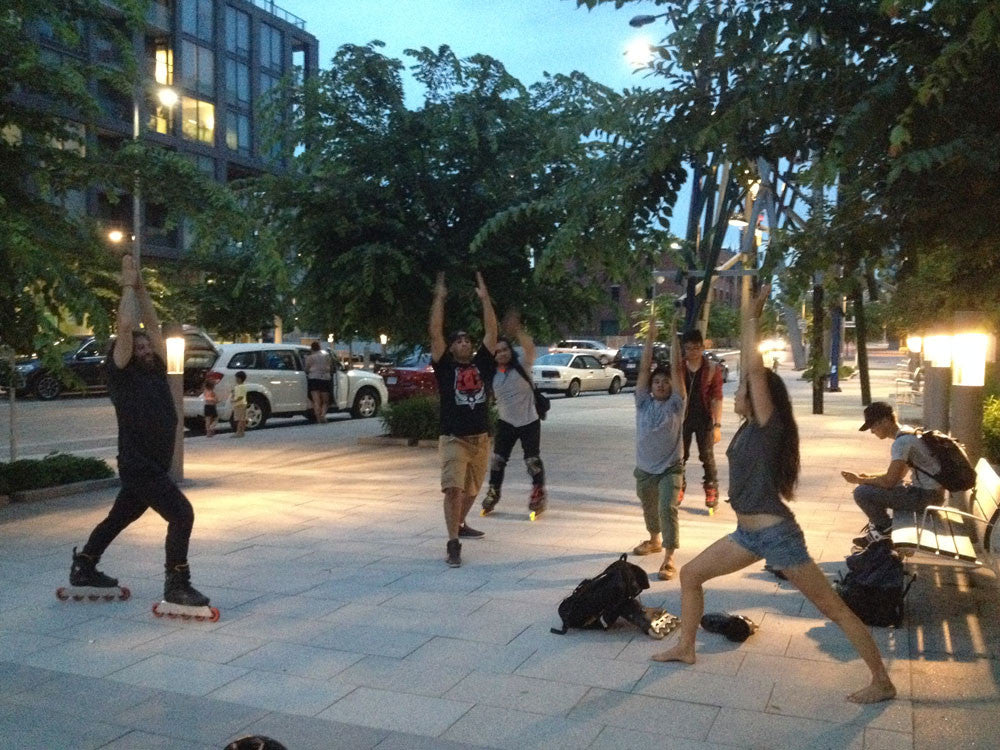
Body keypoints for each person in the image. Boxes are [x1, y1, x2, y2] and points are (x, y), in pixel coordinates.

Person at [651, 284, 896, 705]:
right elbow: (749, 376)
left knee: (833, 608)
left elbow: (753, 369)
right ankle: (686, 648)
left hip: (777, 536)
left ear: (761, 399)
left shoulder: (768, 426)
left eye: (744, 390)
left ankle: (882, 680)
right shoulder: (750, 427)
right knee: (691, 575)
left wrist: (751, 319)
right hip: (747, 536)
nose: (736, 394)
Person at [67, 253, 211, 610]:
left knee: (120, 516)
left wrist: (142, 286)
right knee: (182, 514)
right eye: (139, 346)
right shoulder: (121, 372)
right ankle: (177, 582)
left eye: (148, 346)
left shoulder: (154, 368)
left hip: (151, 465)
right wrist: (127, 285)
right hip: (139, 464)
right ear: (125, 352)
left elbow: (152, 324)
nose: (145, 349)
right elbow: (127, 326)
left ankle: (84, 565)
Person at [430, 271, 498, 567]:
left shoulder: (482, 363)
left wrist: (485, 300)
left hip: (480, 439)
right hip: (454, 438)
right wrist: (439, 298)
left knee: (471, 491)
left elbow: (492, 333)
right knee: (454, 489)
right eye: (457, 341)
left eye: (467, 341)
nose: (463, 344)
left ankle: (459, 524)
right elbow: (435, 332)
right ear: (451, 346)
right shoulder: (445, 367)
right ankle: (453, 543)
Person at [630, 309, 686, 580]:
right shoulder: (642, 401)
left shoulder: (677, 405)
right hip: (644, 468)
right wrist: (650, 338)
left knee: (667, 508)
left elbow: (677, 368)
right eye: (657, 381)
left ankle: (669, 557)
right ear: (650, 386)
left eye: (666, 382)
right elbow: (643, 369)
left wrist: (673, 335)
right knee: (648, 506)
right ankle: (653, 539)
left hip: (670, 468)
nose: (662, 384)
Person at [841, 401, 944, 548]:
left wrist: (860, 480)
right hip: (932, 495)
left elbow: (889, 481)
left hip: (925, 498)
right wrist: (867, 477)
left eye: (873, 426)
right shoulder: (908, 432)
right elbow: (898, 476)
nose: (872, 431)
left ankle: (883, 530)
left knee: (862, 493)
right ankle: (880, 530)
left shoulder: (901, 443)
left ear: (885, 421)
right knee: (869, 487)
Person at [481, 310, 546, 517]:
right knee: (498, 459)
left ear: (510, 351)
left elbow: (530, 348)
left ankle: (538, 493)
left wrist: (517, 330)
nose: (502, 354)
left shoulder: (522, 367)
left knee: (532, 460)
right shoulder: (492, 375)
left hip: (529, 421)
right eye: (497, 351)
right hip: (506, 422)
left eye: (505, 350)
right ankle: (493, 491)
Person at [678, 328, 724, 510]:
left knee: (707, 456)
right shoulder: (679, 368)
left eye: (696, 348)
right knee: (680, 456)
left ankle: (711, 488)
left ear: (702, 347)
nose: (693, 352)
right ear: (684, 348)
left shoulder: (712, 369)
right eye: (689, 348)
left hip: (704, 418)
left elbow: (717, 397)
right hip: (682, 419)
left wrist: (717, 425)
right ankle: (679, 486)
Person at [304, 341, 332, 423]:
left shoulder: (310, 357)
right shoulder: (326, 356)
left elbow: (306, 368)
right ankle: (323, 414)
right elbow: (330, 367)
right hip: (325, 379)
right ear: (320, 347)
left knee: (316, 401)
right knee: (325, 401)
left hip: (313, 379)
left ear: (311, 348)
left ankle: (318, 418)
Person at [231, 371, 248, 437]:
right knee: (242, 419)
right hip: (241, 404)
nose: (235, 380)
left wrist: (234, 400)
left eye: (236, 378)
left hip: (239, 404)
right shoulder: (239, 386)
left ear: (239, 379)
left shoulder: (241, 387)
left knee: (239, 419)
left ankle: (238, 432)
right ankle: (242, 432)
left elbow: (241, 396)